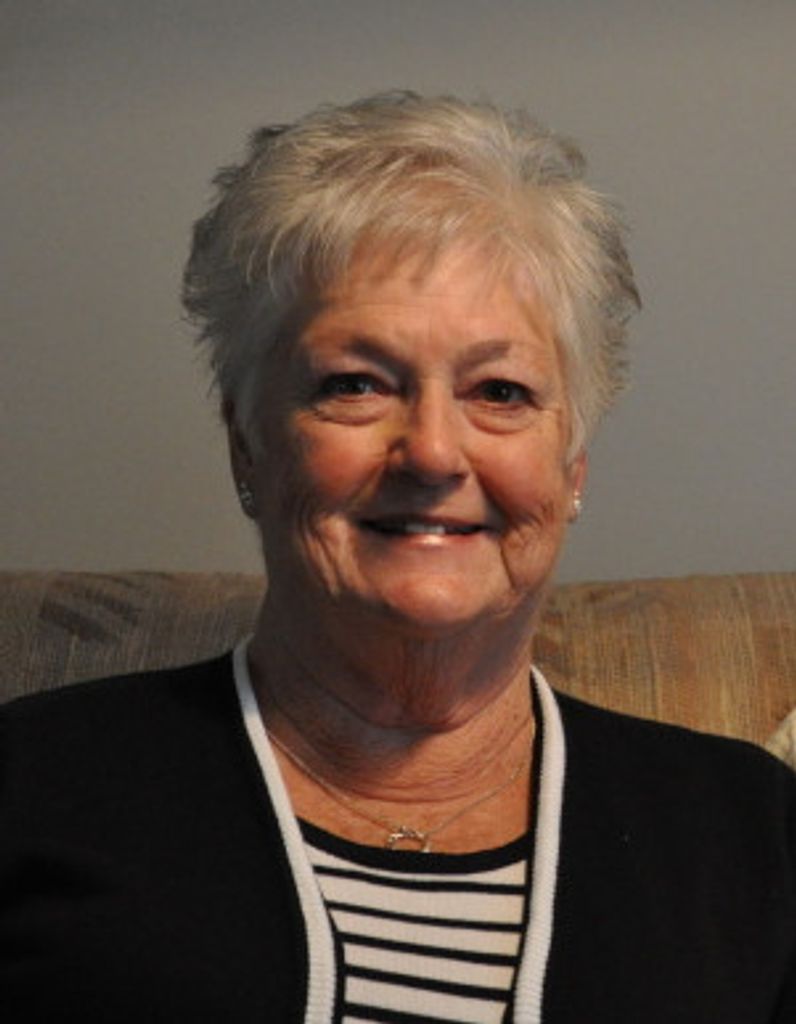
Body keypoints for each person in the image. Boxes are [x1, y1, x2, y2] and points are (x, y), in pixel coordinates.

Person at [1, 92, 793, 1023]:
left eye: (500, 392)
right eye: (356, 385)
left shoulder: (748, 830)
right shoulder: (35, 783)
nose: (432, 453)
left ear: (572, 463)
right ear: (248, 445)